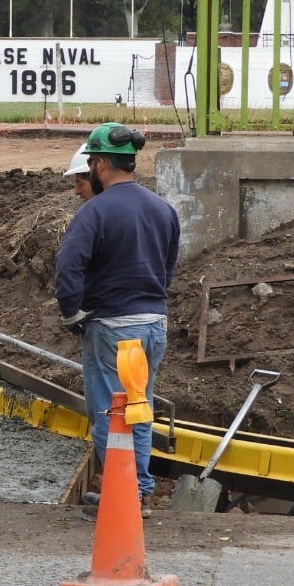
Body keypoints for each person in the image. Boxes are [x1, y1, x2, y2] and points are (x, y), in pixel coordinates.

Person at [54, 122, 179, 505]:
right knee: (139, 409)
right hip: (153, 325)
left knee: (110, 413)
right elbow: (168, 265)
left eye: (92, 161)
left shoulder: (96, 211)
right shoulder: (163, 209)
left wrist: (71, 312)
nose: (90, 169)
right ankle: (137, 490)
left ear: (102, 164)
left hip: (112, 328)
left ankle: (121, 496)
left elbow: (68, 266)